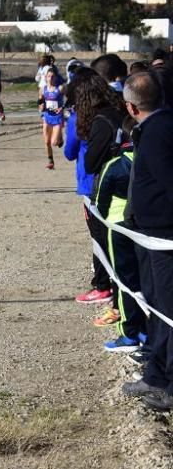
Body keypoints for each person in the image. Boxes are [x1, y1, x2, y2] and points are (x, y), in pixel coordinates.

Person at [120, 72, 173, 411]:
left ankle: (168, 385)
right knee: (154, 302)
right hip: (150, 234)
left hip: (166, 236)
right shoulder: (153, 128)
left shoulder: (158, 132)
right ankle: (155, 374)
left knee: (168, 310)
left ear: (131, 106)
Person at [92, 116, 146, 353]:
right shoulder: (152, 162)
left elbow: (98, 203)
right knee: (146, 280)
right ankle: (147, 328)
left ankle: (129, 333)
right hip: (147, 229)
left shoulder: (114, 166)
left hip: (118, 228)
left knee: (124, 282)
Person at [63, 67, 113, 306]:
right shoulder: (113, 112)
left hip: (89, 182)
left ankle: (103, 285)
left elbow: (69, 152)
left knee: (98, 236)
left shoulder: (77, 119)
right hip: (116, 179)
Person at [38, 68, 65, 170]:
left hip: (57, 117)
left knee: (54, 142)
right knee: (47, 141)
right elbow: (40, 101)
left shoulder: (61, 88)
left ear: (56, 78)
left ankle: (60, 138)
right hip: (47, 116)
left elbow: (69, 99)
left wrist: (62, 108)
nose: (50, 78)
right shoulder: (43, 89)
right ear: (45, 77)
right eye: (49, 76)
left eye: (52, 76)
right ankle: (50, 161)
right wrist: (40, 106)